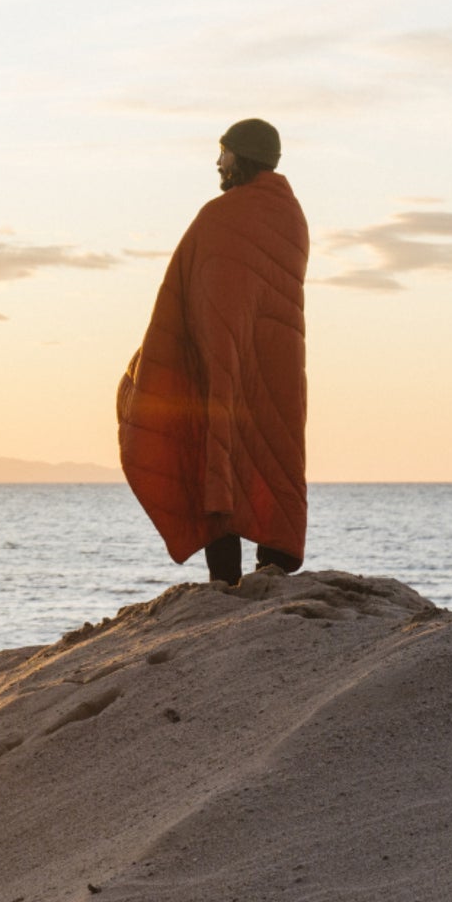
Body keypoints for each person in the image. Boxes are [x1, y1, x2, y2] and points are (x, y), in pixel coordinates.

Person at [116, 118, 309, 586]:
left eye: (222, 152)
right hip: (278, 367)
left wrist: (186, 355)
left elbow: (194, 297)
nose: (217, 163)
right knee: (269, 450)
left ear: (240, 156)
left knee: (214, 451)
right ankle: (273, 567)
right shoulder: (291, 214)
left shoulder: (222, 216)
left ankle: (226, 578)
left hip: (226, 361)